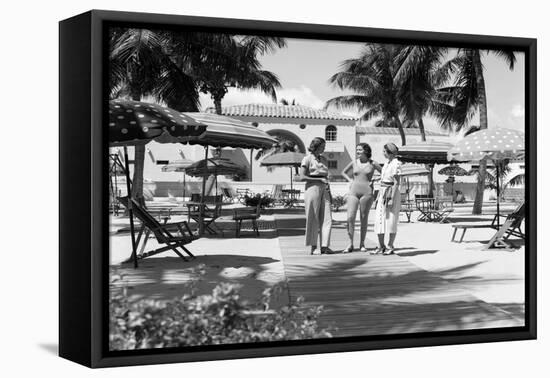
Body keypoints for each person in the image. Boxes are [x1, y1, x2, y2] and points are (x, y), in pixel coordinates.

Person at [341, 143, 381, 252]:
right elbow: (343, 172)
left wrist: (375, 180)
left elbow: (384, 173)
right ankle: (350, 244)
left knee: (364, 218)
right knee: (350, 217)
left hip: (367, 192)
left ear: (366, 151)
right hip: (353, 191)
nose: (357, 152)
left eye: (359, 150)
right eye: (357, 150)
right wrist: (350, 180)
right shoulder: (354, 162)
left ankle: (362, 244)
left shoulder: (373, 163)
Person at [299, 137, 334, 255]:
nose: (324, 149)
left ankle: (325, 246)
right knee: (313, 217)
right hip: (312, 189)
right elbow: (302, 177)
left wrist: (329, 186)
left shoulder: (324, 159)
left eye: (324, 147)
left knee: (327, 218)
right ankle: (313, 247)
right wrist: (319, 178)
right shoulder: (307, 159)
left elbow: (326, 176)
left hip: (325, 189)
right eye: (322, 147)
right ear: (315, 146)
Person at [373, 143, 402, 255]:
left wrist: (391, 198)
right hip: (383, 191)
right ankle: (381, 245)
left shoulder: (396, 164)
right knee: (379, 219)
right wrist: (379, 196)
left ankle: (390, 245)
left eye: (384, 151)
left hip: (391, 192)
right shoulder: (386, 163)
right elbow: (383, 179)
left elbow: (396, 182)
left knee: (391, 220)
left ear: (390, 152)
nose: (383, 153)